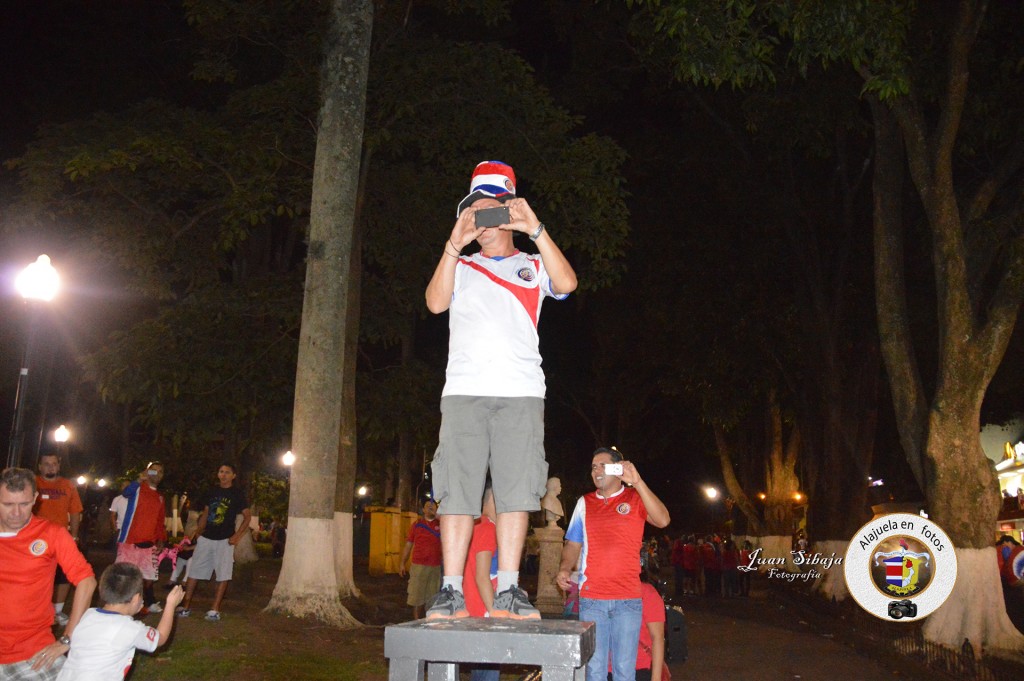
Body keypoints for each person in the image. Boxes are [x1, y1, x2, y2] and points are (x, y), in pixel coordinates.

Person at [424, 160, 578, 620]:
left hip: (520, 393)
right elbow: (435, 303)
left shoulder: (532, 264)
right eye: (473, 211)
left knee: (516, 491)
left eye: (491, 211)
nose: (482, 221)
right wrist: (454, 245)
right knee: (457, 491)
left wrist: (536, 229)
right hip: (464, 393)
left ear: (510, 213)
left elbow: (567, 283)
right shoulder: (461, 265)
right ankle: (450, 591)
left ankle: (509, 590)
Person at [556, 448, 671, 681]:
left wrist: (638, 482)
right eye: (593, 467)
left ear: (618, 469)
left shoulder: (635, 498)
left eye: (603, 465)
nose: (596, 471)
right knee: (595, 669)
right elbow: (573, 544)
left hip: (628, 598)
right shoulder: (584, 503)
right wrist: (565, 568)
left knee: (624, 670)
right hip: (592, 599)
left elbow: (663, 520)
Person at [0, 467, 97, 680]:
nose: (16, 513)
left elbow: (86, 580)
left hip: (33, 652)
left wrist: (68, 638)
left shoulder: (51, 533)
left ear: (35, 498)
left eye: (24, 504)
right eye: (7, 504)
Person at [57, 563, 184, 680]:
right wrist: (170, 605)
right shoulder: (130, 628)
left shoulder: (88, 615)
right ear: (136, 598)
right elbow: (160, 638)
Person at [177, 463, 251, 622]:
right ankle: (186, 606)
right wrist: (198, 532)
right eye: (221, 472)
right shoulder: (211, 492)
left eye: (227, 472)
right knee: (194, 571)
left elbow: (247, 516)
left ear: (233, 476)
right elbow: (206, 512)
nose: (223, 475)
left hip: (225, 540)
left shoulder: (237, 494)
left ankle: (214, 609)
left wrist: (237, 536)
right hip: (206, 538)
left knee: (223, 574)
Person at [34, 452, 85, 626]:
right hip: (36, 539)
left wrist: (74, 536)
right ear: (40, 466)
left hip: (61, 538)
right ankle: (38, 608)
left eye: (54, 463)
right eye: (46, 464)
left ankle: (57, 610)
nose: (50, 467)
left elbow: (75, 511)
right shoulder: (32, 483)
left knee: (64, 574)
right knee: (38, 575)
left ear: (59, 466)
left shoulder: (68, 485)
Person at [116, 462, 168, 614]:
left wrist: (161, 539)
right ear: (147, 472)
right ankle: (120, 603)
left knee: (148, 577)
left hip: (149, 543)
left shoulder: (160, 497)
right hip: (130, 541)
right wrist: (139, 479)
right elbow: (125, 493)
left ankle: (147, 601)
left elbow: (160, 520)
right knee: (126, 575)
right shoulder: (138, 489)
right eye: (153, 471)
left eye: (160, 471)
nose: (156, 474)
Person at [463, 486, 499, 681]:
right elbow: (482, 576)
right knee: (488, 671)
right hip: (483, 609)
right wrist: (494, 611)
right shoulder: (488, 528)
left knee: (481, 669)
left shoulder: (477, 524)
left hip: (473, 605)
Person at [608, 568, 667, 681]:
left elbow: (658, 637)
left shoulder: (647, 593)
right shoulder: (602, 592)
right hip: (607, 668)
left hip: (638, 667)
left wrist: (656, 677)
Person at [398, 499, 442, 620]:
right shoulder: (417, 525)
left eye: (433, 506)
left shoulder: (441, 524)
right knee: (417, 596)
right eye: (428, 506)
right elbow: (408, 545)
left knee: (432, 596)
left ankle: (429, 620)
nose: (430, 508)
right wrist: (402, 563)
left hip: (436, 566)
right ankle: (416, 621)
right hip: (419, 566)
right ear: (423, 510)